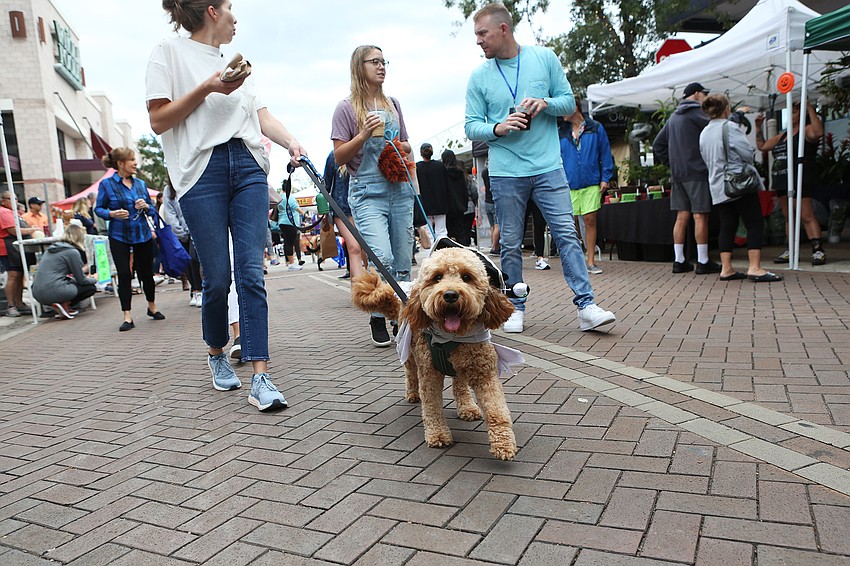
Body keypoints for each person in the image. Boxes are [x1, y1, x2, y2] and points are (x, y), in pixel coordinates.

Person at [147, 0, 306, 411]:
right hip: (202, 170)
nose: (237, 17)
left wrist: (291, 142)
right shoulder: (169, 52)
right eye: (231, 8)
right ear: (212, 12)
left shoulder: (238, 64)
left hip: (249, 165)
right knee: (217, 279)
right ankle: (217, 352)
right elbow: (159, 120)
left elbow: (261, 115)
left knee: (251, 273)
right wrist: (208, 88)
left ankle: (260, 375)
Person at [464, 2, 615, 334]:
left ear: (503, 29)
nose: (478, 41)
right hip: (505, 171)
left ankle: (586, 306)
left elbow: (568, 101)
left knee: (566, 235)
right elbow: (471, 126)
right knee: (511, 242)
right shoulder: (479, 77)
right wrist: (498, 127)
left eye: (482, 33)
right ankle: (515, 306)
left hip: (548, 166)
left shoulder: (544, 58)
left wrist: (545, 104)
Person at [331, 44, 414, 347]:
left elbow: (406, 144)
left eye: (384, 61)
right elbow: (339, 156)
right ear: (359, 67)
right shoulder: (346, 107)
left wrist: (400, 150)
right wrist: (364, 135)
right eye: (374, 61)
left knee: (404, 263)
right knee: (384, 258)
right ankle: (379, 314)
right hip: (367, 192)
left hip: (399, 188)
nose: (381, 66)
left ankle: (403, 320)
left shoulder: (393, 103)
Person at [699, 94, 783, 283]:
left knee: (727, 225)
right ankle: (755, 267)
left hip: (718, 185)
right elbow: (746, 152)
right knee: (754, 222)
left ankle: (726, 269)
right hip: (738, 182)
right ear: (726, 108)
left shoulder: (704, 132)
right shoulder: (729, 127)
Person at [653, 82, 722, 275]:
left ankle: (679, 260)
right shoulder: (698, 113)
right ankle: (703, 261)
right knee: (700, 215)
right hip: (696, 172)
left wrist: (671, 164)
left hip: (678, 175)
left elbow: (658, 144)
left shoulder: (673, 117)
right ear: (697, 94)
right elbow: (717, 128)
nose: (705, 98)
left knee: (681, 216)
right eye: (704, 94)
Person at [95, 148, 165, 331]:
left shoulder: (140, 184)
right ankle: (127, 315)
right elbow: (98, 209)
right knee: (125, 274)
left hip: (142, 234)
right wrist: (112, 213)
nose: (135, 163)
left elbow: (151, 209)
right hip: (119, 236)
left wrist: (146, 206)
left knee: (146, 274)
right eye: (131, 160)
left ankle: (152, 306)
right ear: (120, 163)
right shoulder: (107, 184)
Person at [755, 101, 825, 265]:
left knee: (806, 215)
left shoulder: (805, 131)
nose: (791, 115)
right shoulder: (784, 135)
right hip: (782, 180)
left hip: (800, 179)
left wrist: (809, 108)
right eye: (790, 112)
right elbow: (763, 146)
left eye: (794, 112)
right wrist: (758, 127)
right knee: (789, 217)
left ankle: (818, 249)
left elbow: (818, 132)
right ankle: (792, 249)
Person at [559, 99, 614, 275]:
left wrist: (606, 177)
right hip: (569, 184)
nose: (561, 113)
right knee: (570, 224)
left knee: (590, 220)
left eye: (564, 108)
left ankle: (590, 260)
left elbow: (605, 152)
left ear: (574, 107)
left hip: (591, 181)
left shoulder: (595, 127)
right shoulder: (561, 132)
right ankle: (575, 261)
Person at [31, 224, 98, 319]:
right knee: (90, 288)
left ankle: (61, 305)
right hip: (56, 289)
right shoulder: (72, 252)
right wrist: (94, 279)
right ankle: (64, 304)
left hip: (37, 292)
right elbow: (81, 280)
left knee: (72, 283)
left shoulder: (50, 249)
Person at [323, 150, 365, 282]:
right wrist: (325, 211)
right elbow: (326, 184)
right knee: (354, 248)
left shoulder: (367, 149)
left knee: (367, 250)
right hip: (342, 208)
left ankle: (370, 289)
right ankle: (360, 293)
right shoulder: (334, 155)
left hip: (366, 205)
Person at [162, 182, 202, 305]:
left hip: (197, 229)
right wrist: (180, 232)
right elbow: (170, 214)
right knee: (188, 262)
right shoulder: (169, 190)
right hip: (181, 232)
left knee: (196, 260)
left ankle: (199, 290)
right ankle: (195, 290)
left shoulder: (193, 180)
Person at [1, 191, 38, 317]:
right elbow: (13, 230)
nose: (14, 201)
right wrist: (32, 229)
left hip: (16, 248)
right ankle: (11, 306)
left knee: (20, 275)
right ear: (3, 201)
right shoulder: (3, 212)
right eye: (10, 199)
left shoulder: (13, 212)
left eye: (16, 199)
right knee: (13, 275)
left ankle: (19, 303)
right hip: (8, 248)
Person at [415, 143, 449, 245]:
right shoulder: (440, 166)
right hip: (440, 202)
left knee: (428, 233)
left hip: (424, 205)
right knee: (442, 231)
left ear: (421, 153)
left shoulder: (417, 167)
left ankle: (429, 255)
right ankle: (442, 254)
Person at [443, 149, 474, 246]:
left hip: (447, 207)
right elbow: (464, 191)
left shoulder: (443, 173)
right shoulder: (460, 173)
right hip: (460, 207)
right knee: (461, 233)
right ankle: (464, 253)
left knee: (448, 234)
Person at [277, 191, 306, 271]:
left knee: (286, 242)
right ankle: (292, 263)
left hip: (282, 221)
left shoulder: (280, 196)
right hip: (290, 222)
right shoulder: (289, 197)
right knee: (290, 243)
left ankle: (289, 262)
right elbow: (294, 206)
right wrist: (304, 213)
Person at [481, 165, 500, 256]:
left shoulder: (484, 172)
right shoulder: (494, 172)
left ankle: (493, 244)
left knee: (492, 226)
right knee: (497, 226)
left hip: (487, 201)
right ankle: (495, 247)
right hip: (494, 201)